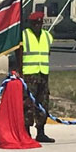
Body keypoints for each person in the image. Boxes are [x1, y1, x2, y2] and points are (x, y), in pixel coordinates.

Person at [22, 11, 55, 143]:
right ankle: (26, 132)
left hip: (43, 74)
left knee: (43, 103)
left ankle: (41, 132)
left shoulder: (47, 36)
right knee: (28, 105)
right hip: (29, 74)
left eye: (40, 23)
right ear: (30, 24)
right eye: (35, 23)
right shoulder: (23, 36)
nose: (37, 25)